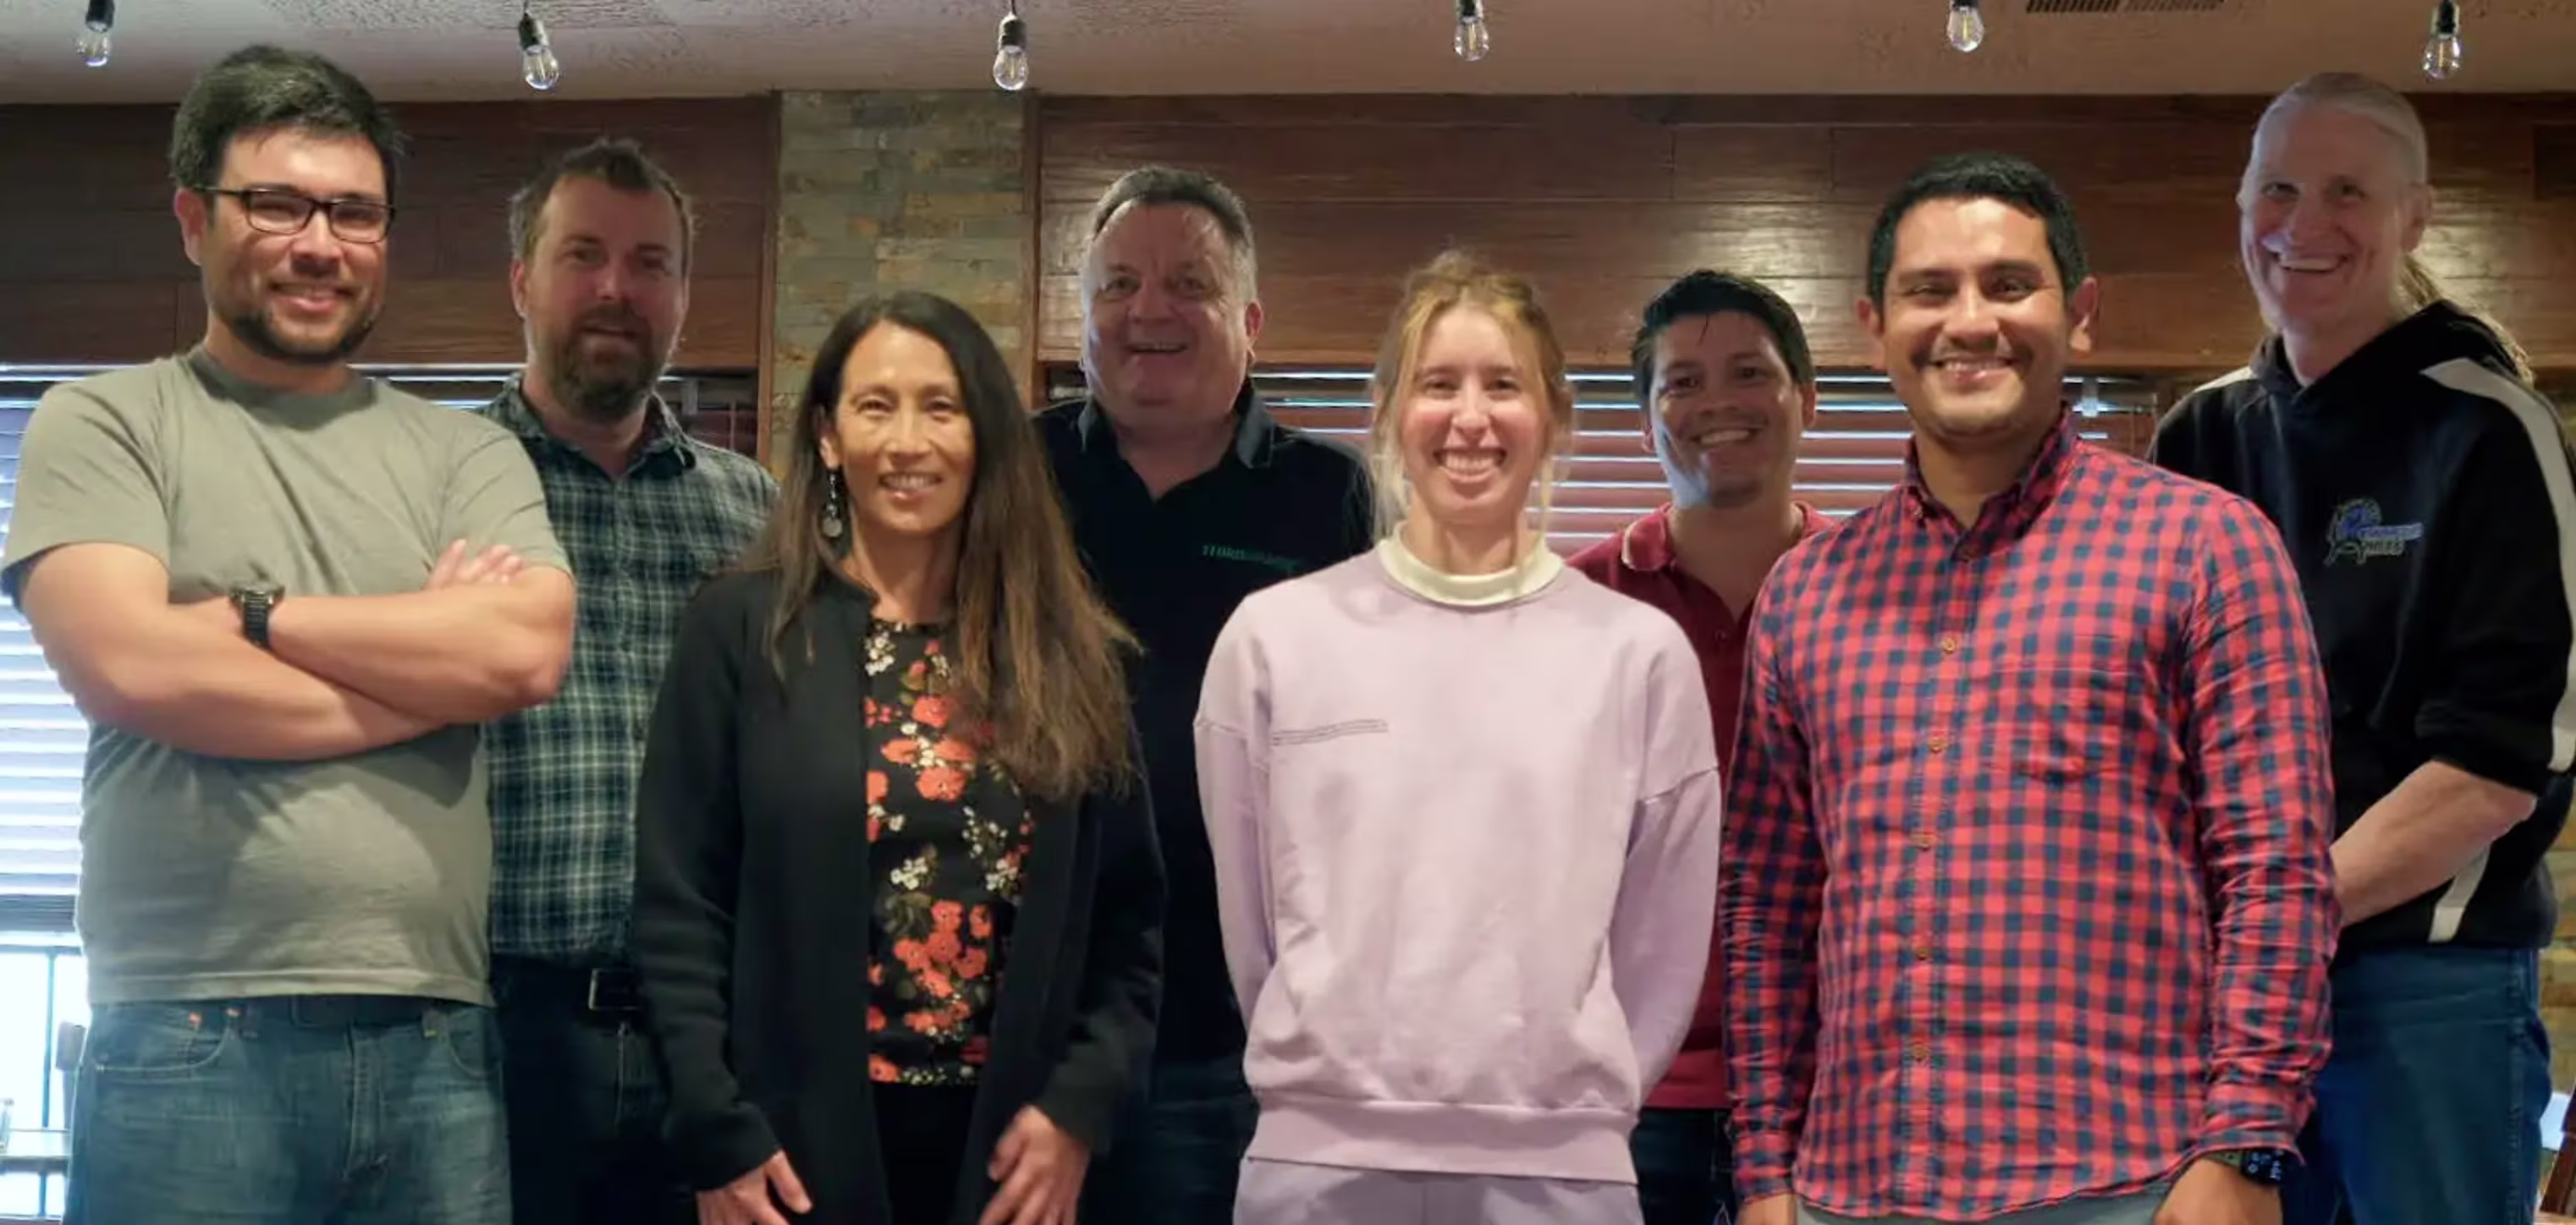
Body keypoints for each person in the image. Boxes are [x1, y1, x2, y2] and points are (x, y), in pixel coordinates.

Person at [3, 45, 575, 1225]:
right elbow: (128, 666)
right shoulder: (106, 421)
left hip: (438, 1037)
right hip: (186, 1035)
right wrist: (430, 672)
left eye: (355, 213)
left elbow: (521, 656)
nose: (321, 242)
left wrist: (254, 620)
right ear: (192, 220)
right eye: (276, 202)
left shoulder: (469, 452)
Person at [1723, 152, 2341, 1225]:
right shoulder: (1802, 596)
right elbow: (1767, 913)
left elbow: (2275, 873)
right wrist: (1764, 1175)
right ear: (1874, 326)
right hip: (1849, 1188)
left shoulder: (2203, 548)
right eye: (1930, 290)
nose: (1970, 321)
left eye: (2008, 284)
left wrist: (2242, 1144)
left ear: (2079, 314)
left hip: (2131, 1184)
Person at [1197, 250, 1725, 1225]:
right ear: (1392, 408)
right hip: (1317, 1164)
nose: (1470, 418)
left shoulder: (1637, 656)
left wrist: (1569, 1107)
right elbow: (1253, 931)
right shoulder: (1274, 639)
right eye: (1438, 384)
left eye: (1503, 385)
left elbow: (1660, 947)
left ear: (1553, 415)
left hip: (1561, 1172)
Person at [632, 291, 1164, 1225]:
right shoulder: (743, 629)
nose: (907, 440)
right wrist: (716, 1128)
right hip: (790, 1153)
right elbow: (682, 907)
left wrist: (1078, 1108)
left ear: (985, 436)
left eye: (941, 406)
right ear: (828, 436)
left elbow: (1130, 924)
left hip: (1011, 1157)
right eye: (875, 406)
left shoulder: (1070, 651)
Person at [2149, 71, 2574, 1225]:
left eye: (2348, 189)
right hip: (2224, 994)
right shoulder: (2198, 433)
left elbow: (2498, 762)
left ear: (2416, 217)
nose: (2305, 222)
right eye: (2278, 186)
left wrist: (2285, 913)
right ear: (2241, 205)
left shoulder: (2487, 426)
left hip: (2422, 986)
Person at [1039, 164, 1375, 1223]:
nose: (1147, 311)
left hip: (1230, 1030)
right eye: (1116, 285)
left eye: (1188, 282)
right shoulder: (1010, 471)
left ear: (1250, 319)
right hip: (1028, 1008)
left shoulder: (1331, 497)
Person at [476, 136, 778, 1225]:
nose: (616, 288)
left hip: (706, 1043)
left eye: (650, 263)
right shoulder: (436, 489)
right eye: (584, 255)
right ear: (522, 280)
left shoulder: (758, 516)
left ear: (684, 296)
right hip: (489, 1036)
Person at [1569, 269, 1826, 1225]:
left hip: (1839, 1082)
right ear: (1644, 421)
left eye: (1748, 372)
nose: (1715, 401)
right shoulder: (1574, 606)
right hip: (1623, 1091)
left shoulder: (1883, 594)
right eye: (1680, 381)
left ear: (1805, 399)